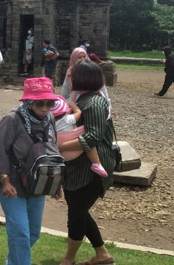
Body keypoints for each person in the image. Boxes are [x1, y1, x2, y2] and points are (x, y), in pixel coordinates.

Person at [0, 77, 62, 265]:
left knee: (33, 233)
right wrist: (4, 180)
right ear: (29, 101)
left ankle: (13, 262)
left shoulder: (50, 119)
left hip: (36, 183)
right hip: (12, 182)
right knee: (20, 232)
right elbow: (0, 150)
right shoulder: (12, 119)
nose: (45, 108)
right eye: (40, 103)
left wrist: (55, 183)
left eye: (50, 103)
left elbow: (53, 150)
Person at [56, 61, 116, 265]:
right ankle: (102, 254)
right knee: (78, 210)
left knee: (76, 213)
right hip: (77, 168)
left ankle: (69, 259)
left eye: (72, 76)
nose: (68, 79)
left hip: (91, 171)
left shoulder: (95, 103)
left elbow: (93, 137)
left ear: (83, 78)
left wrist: (59, 147)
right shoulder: (82, 100)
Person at [52, 95, 108, 177]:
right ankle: (96, 163)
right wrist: (73, 106)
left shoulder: (50, 122)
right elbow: (78, 113)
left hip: (60, 152)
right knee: (88, 139)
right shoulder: (67, 119)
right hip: (73, 147)